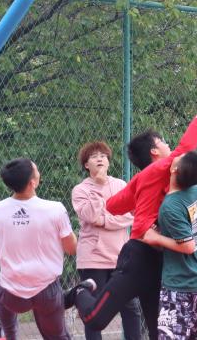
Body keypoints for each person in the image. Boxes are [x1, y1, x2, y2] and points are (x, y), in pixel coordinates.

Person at [66, 91, 197, 340]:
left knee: (158, 331)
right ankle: (79, 292)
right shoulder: (159, 169)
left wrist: (138, 201)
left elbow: (114, 205)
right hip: (138, 257)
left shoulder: (143, 180)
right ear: (155, 152)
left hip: (161, 260)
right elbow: (188, 145)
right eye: (163, 142)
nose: (169, 146)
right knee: (96, 318)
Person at [0, 158, 77, 340]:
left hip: (11, 295)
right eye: (36, 171)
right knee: (58, 336)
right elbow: (71, 249)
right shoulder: (55, 209)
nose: (39, 173)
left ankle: (9, 334)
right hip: (47, 291)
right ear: (32, 183)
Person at [141, 150, 197, 339]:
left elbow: (188, 246)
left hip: (182, 287)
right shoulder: (196, 189)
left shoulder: (170, 206)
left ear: (174, 169)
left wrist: (155, 237)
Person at [71, 141, 142, 340]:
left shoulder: (120, 185)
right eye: (94, 156)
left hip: (121, 257)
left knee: (131, 307)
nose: (100, 159)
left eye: (103, 156)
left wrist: (103, 221)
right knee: (94, 311)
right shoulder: (80, 190)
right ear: (87, 165)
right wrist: (98, 187)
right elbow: (90, 215)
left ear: (109, 161)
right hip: (93, 258)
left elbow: (131, 216)